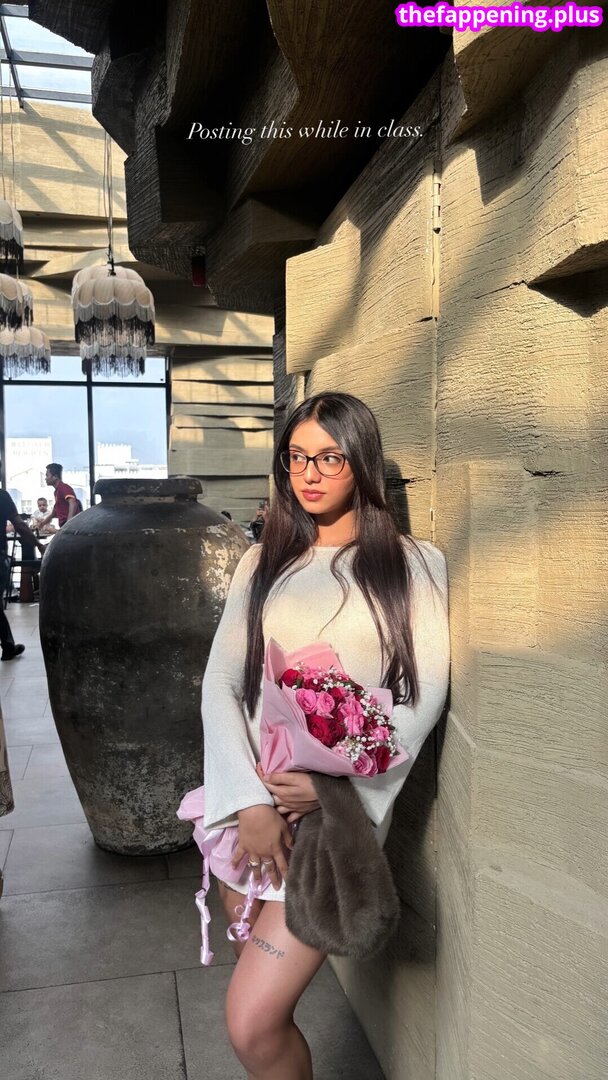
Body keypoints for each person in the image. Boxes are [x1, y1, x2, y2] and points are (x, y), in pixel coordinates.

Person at [201, 391, 450, 1079]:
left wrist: (332, 790)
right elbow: (220, 684)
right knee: (263, 1014)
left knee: (251, 1021)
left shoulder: (414, 565)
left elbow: (422, 697)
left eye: (329, 458)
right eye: (297, 457)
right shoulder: (262, 562)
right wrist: (247, 801)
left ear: (360, 462)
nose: (309, 474)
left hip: (329, 822)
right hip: (249, 811)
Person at [0, 488, 46, 660]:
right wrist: (38, 545)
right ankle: (7, 646)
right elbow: (19, 524)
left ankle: (8, 646)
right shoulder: (2, 496)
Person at [38, 463, 81, 529]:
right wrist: (42, 524)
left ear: (55, 476)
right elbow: (53, 514)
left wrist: (68, 523)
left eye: (47, 475)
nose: (45, 478)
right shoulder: (57, 492)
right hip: (65, 526)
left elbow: (73, 503)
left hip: (71, 527)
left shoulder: (63, 487)